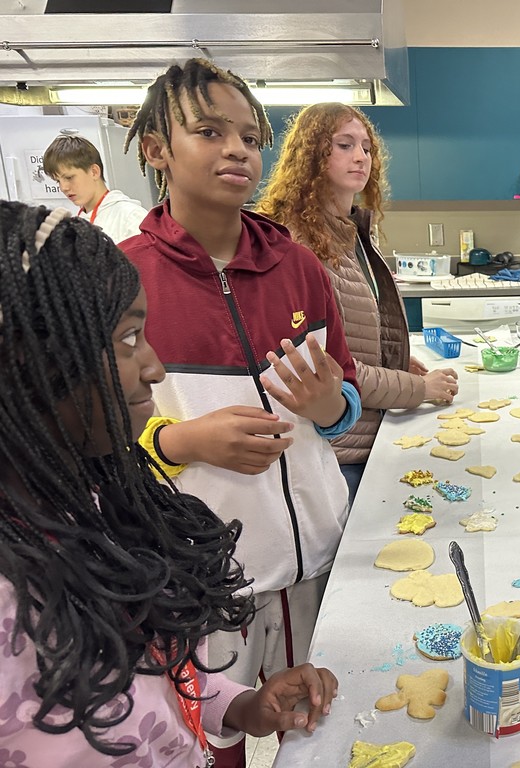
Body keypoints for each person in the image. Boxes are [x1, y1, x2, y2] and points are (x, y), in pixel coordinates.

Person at [0, 201, 338, 765]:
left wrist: (240, 705)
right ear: (29, 361)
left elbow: (150, 677)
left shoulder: (98, 502)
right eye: (130, 338)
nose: (154, 367)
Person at [119, 59, 361, 767]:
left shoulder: (298, 266)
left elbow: (342, 401)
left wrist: (330, 405)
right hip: (200, 583)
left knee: (320, 735)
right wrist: (182, 439)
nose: (237, 150)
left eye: (251, 137)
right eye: (208, 131)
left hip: (313, 564)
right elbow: (97, 440)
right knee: (208, 743)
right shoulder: (125, 276)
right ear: (157, 149)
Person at [256, 103, 458, 503]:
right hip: (336, 452)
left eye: (366, 147)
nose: (361, 156)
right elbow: (331, 369)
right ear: (312, 155)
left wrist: (393, 361)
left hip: (366, 437)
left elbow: (356, 335)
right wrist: (418, 388)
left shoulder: (350, 234)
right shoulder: (300, 245)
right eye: (344, 145)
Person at [42, 132, 149, 243]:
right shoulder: (76, 222)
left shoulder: (130, 216)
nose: (63, 187)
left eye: (69, 178)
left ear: (94, 172)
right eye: (57, 181)